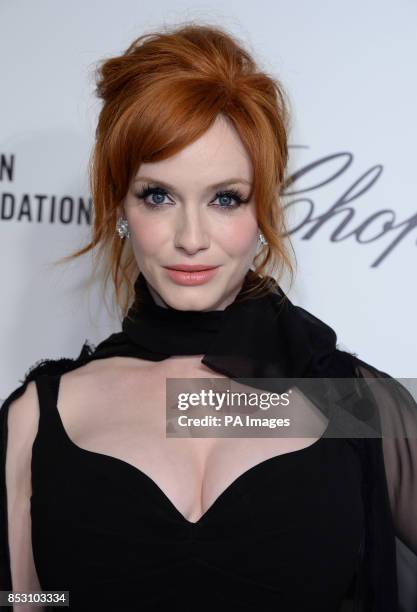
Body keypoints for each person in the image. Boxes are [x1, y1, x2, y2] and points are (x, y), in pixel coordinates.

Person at [1, 22, 416, 612]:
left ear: (263, 210)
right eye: (158, 195)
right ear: (119, 204)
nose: (190, 238)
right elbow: (29, 604)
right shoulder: (36, 419)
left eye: (225, 198)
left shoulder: (347, 398)